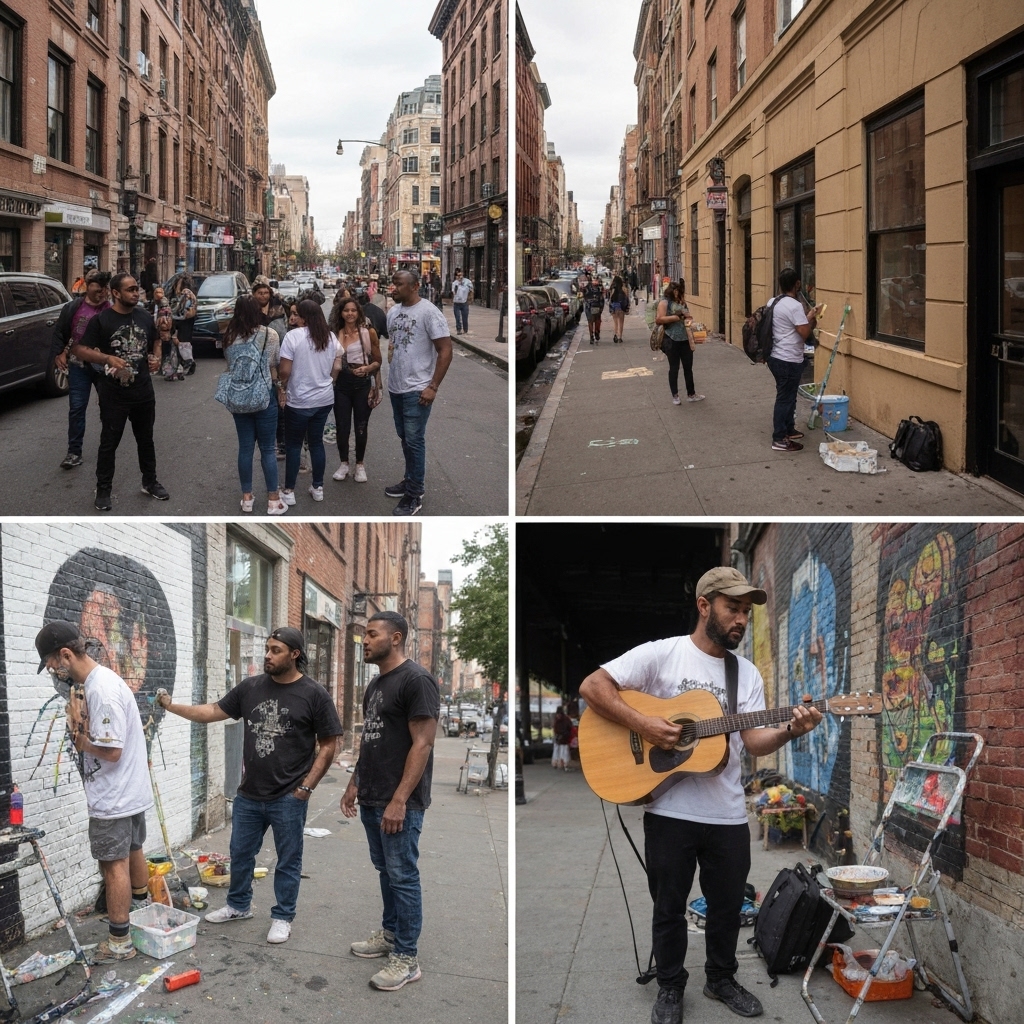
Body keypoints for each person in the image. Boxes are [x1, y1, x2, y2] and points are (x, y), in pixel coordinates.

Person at [579, 567, 823, 1024]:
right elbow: (593, 687)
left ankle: (721, 979)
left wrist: (792, 729)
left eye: (746, 612)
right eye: (733, 608)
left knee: (728, 907)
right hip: (669, 809)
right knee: (668, 907)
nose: (741, 620)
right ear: (704, 605)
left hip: (727, 812)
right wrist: (646, 724)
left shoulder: (744, 673)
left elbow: (752, 742)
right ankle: (670, 986)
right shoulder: (662, 654)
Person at [158, 627, 342, 945]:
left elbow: (329, 744)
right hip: (249, 794)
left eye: (275, 650)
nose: (267, 655)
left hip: (289, 795)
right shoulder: (251, 688)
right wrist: (171, 706)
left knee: (288, 858)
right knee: (240, 854)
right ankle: (238, 906)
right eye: (267, 649)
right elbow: (213, 711)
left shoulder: (314, 694)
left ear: (295, 655)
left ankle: (283, 917)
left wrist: (307, 787)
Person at [35, 621, 154, 964]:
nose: (54, 672)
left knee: (112, 865)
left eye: (53, 665)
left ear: (66, 655)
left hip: (114, 798)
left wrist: (81, 739)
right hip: (127, 793)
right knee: (133, 850)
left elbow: (112, 750)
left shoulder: (101, 689)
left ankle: (120, 941)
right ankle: (142, 911)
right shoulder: (101, 683)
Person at [341, 611, 440, 992]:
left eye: (371, 634)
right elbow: (373, 739)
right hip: (372, 794)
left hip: (400, 801)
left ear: (395, 638)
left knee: (402, 875)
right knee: (386, 870)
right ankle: (390, 934)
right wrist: (355, 782)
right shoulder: (376, 685)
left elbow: (423, 743)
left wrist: (399, 800)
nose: (364, 640)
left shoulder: (417, 680)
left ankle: (407, 957)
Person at [73, 273, 168, 511]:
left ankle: (150, 481)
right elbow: (80, 350)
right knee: (109, 443)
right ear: (116, 293)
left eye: (137, 289)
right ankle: (103, 490)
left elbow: (156, 340)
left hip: (143, 392)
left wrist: (156, 357)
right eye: (130, 289)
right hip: (113, 393)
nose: (136, 293)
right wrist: (107, 358)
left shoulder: (145, 316)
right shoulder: (102, 320)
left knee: (146, 439)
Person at [383, 269, 453, 516]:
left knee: (414, 440)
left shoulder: (430, 313)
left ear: (414, 286)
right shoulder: (393, 312)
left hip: (418, 388)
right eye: (393, 283)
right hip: (396, 386)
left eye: (399, 284)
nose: (394, 288)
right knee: (405, 437)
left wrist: (433, 386)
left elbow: (445, 350)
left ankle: (415, 494)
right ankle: (409, 479)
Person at [222, 295, 286, 514]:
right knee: (268, 448)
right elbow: (274, 364)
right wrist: (280, 388)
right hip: (263, 396)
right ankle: (273, 500)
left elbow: (230, 364)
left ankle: (247, 498)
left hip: (239, 397)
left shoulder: (229, 336)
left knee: (245, 448)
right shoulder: (270, 334)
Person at [278, 298, 341, 506]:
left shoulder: (293, 337)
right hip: (323, 398)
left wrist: (281, 386)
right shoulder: (330, 337)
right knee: (316, 443)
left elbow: (285, 370)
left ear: (303, 317)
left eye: (296, 314)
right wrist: (330, 380)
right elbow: (338, 364)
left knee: (294, 445)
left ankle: (289, 491)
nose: (293, 317)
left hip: (299, 400)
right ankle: (318, 487)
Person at [53, 270, 111, 470]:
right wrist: (59, 354)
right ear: (88, 286)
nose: (102, 292)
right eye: (98, 287)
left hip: (102, 367)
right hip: (78, 365)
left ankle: (108, 448)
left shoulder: (111, 309)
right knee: (77, 408)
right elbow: (61, 331)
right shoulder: (73, 308)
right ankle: (74, 452)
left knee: (108, 408)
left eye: (105, 288)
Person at [331, 296, 382, 485]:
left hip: (361, 384)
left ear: (359, 312)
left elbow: (378, 361)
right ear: (341, 313)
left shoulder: (368, 333)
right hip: (341, 385)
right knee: (342, 426)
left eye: (353, 310)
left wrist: (368, 369)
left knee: (361, 426)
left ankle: (360, 464)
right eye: (346, 310)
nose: (350, 313)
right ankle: (344, 463)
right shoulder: (335, 333)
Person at [767, 267, 818, 452]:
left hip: (776, 356)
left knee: (788, 396)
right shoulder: (795, 305)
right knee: (785, 398)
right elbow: (804, 332)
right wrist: (812, 319)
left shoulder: (773, 301)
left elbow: (787, 326)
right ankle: (779, 438)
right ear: (797, 284)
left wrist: (806, 317)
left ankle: (788, 429)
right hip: (788, 358)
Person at [656, 281, 704, 406]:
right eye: (675, 292)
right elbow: (659, 319)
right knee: (674, 368)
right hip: (671, 339)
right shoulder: (664, 302)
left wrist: (689, 318)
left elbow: (687, 317)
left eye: (679, 292)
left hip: (685, 338)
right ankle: (675, 395)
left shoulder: (682, 302)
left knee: (688, 368)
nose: (677, 294)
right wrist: (676, 317)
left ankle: (691, 394)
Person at [168, 273, 198, 376]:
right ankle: (185, 363)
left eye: (178, 284)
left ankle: (188, 362)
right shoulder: (190, 294)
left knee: (181, 343)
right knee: (184, 343)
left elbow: (179, 311)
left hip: (183, 321)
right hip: (186, 321)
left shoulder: (185, 294)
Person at [582, 275, 605, 343]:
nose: (595, 282)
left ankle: (597, 332)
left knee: (597, 321)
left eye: (596, 280)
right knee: (590, 321)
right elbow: (583, 295)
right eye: (594, 280)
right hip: (589, 306)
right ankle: (591, 336)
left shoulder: (600, 288)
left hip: (597, 306)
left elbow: (602, 297)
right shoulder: (587, 288)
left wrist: (601, 307)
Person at [451, 267, 473, 335]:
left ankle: (465, 329)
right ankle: (459, 329)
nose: (459, 277)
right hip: (456, 303)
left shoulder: (467, 282)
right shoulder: (454, 283)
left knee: (465, 317)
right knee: (457, 317)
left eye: (460, 275)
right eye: (458, 275)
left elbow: (471, 290)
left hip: (464, 302)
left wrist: (470, 299)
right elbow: (453, 292)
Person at [609, 275, 630, 344]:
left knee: (615, 322)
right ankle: (620, 337)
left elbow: (610, 299)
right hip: (621, 307)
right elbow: (627, 299)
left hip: (615, 306)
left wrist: (610, 308)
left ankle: (615, 334)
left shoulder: (613, 289)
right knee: (621, 322)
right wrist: (627, 308)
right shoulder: (624, 289)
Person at [551, 705, 572, 770]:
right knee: (564, 751)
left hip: (558, 736)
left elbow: (555, 727)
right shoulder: (566, 719)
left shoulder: (556, 719)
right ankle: (564, 763)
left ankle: (556, 763)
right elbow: (570, 727)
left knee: (556, 750)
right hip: (564, 737)